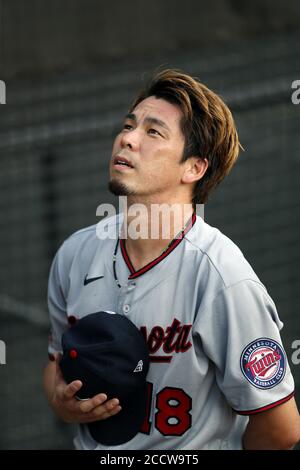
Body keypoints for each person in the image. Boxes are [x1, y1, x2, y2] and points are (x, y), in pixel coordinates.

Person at [43, 69, 300, 450]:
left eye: (153, 132)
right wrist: (61, 401)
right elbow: (54, 365)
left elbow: (281, 427)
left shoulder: (222, 277)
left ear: (194, 167)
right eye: (129, 125)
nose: (127, 139)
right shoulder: (74, 255)